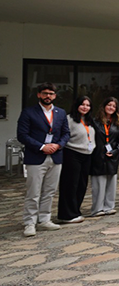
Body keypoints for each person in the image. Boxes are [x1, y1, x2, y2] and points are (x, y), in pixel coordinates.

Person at [17, 82, 69, 237]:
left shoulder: (60, 113)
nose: (48, 96)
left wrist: (58, 145)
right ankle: (29, 222)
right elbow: (22, 135)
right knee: (33, 192)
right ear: (39, 94)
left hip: (55, 156)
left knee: (50, 191)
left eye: (51, 93)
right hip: (36, 157)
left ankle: (45, 219)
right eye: (45, 93)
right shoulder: (28, 113)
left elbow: (66, 133)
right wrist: (41, 147)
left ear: (55, 95)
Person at [57, 96, 95, 223]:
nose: (85, 107)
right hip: (72, 153)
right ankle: (66, 214)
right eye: (82, 104)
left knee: (81, 184)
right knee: (70, 184)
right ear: (77, 105)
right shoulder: (68, 119)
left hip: (87, 155)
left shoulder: (89, 120)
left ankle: (75, 211)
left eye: (88, 105)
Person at [90, 97, 119, 217]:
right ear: (104, 106)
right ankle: (97, 209)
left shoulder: (118, 123)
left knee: (111, 183)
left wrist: (115, 151)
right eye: (109, 105)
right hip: (98, 156)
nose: (111, 108)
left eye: (114, 106)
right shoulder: (95, 122)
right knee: (98, 184)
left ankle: (109, 207)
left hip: (112, 157)